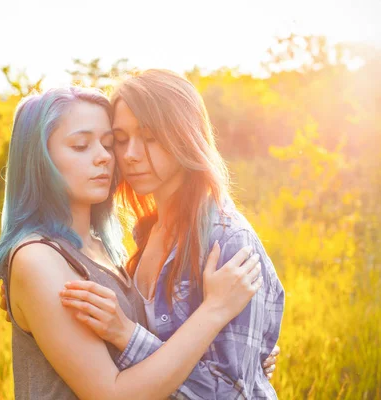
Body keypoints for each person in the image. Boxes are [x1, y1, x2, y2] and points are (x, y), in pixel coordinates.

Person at [0, 86, 265, 399]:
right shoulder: (38, 259)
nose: (104, 157)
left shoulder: (106, 249)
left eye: (110, 143)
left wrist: (242, 365)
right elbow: (113, 394)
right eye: (81, 146)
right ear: (38, 159)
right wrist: (214, 311)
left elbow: (150, 356)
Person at [52, 70, 285, 398]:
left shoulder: (228, 243)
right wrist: (38, 293)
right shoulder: (144, 232)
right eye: (121, 139)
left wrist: (127, 335)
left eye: (150, 137)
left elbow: (232, 393)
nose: (130, 153)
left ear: (184, 137)